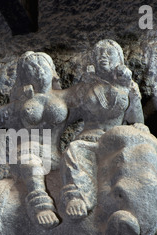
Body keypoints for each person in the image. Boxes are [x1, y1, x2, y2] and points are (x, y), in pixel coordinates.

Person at [58, 39, 144, 218]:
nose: (103, 56)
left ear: (118, 60)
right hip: (89, 139)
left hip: (117, 138)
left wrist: (134, 97)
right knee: (74, 149)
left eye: (108, 53)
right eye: (99, 53)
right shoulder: (84, 88)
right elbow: (65, 112)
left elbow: (136, 120)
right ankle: (77, 197)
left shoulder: (128, 86)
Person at [0, 51, 68, 229]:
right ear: (25, 76)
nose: (37, 70)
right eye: (31, 68)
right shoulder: (21, 102)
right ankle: (41, 207)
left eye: (41, 64)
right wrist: (17, 104)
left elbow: (93, 108)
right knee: (30, 156)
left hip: (55, 155)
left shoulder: (66, 96)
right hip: (26, 154)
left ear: (51, 69)